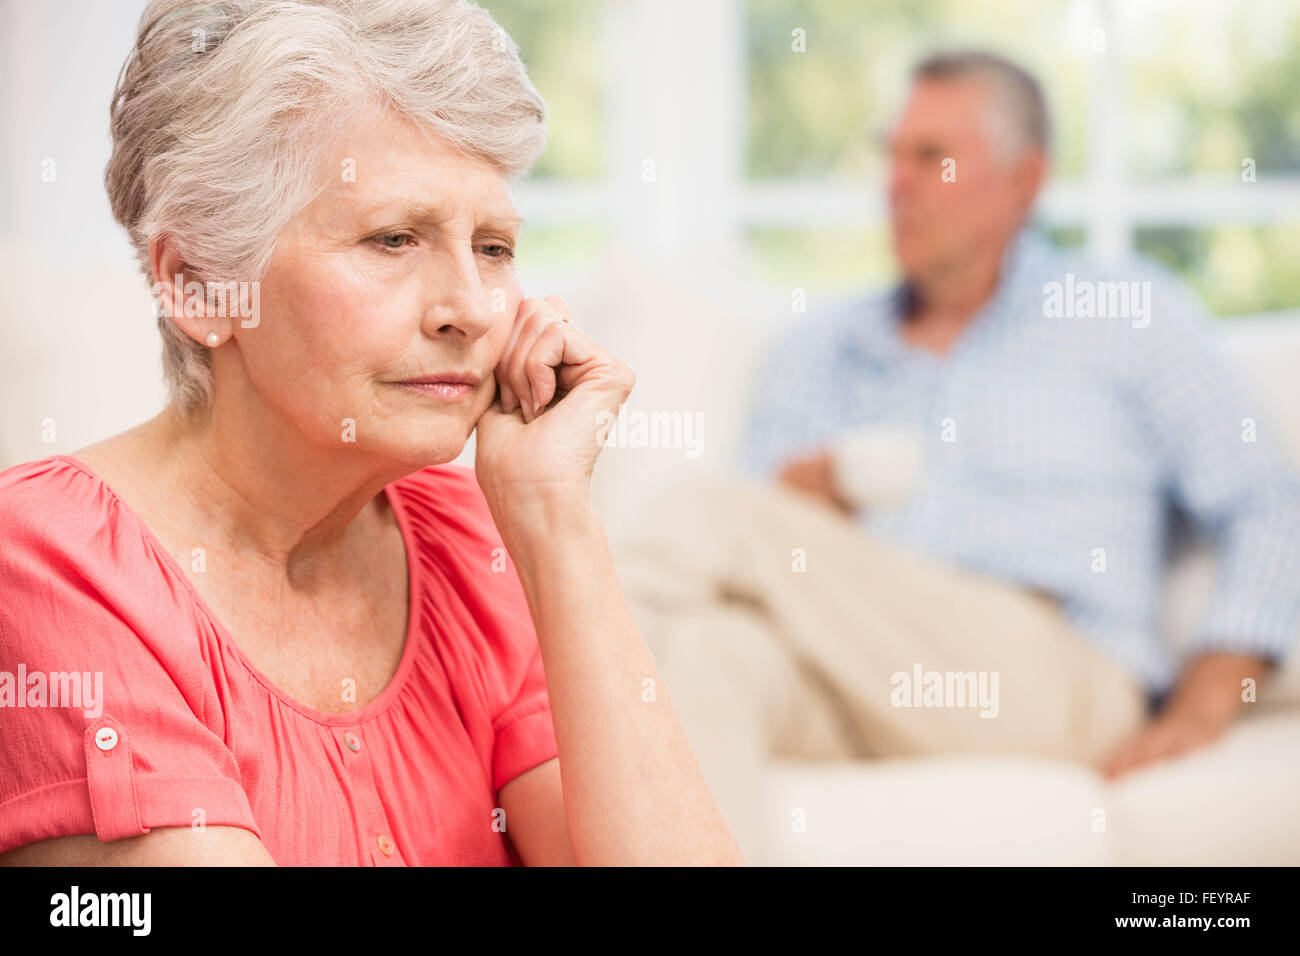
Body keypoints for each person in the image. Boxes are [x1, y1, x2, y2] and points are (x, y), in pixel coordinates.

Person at [0, 0, 744, 867]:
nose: (471, 308)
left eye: (495, 247)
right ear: (198, 284)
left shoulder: (468, 540)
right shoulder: (47, 566)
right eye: (394, 239)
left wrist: (553, 521)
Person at [613, 50, 1300, 863]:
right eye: (892, 155)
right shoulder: (820, 348)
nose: (894, 182)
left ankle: (506, 662)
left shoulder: (1125, 316)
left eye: (931, 158)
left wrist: (1209, 697)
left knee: (710, 513)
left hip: (1054, 671)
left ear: (1024, 179)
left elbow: (1268, 500)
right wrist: (805, 505)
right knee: (702, 653)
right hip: (857, 670)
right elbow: (760, 559)